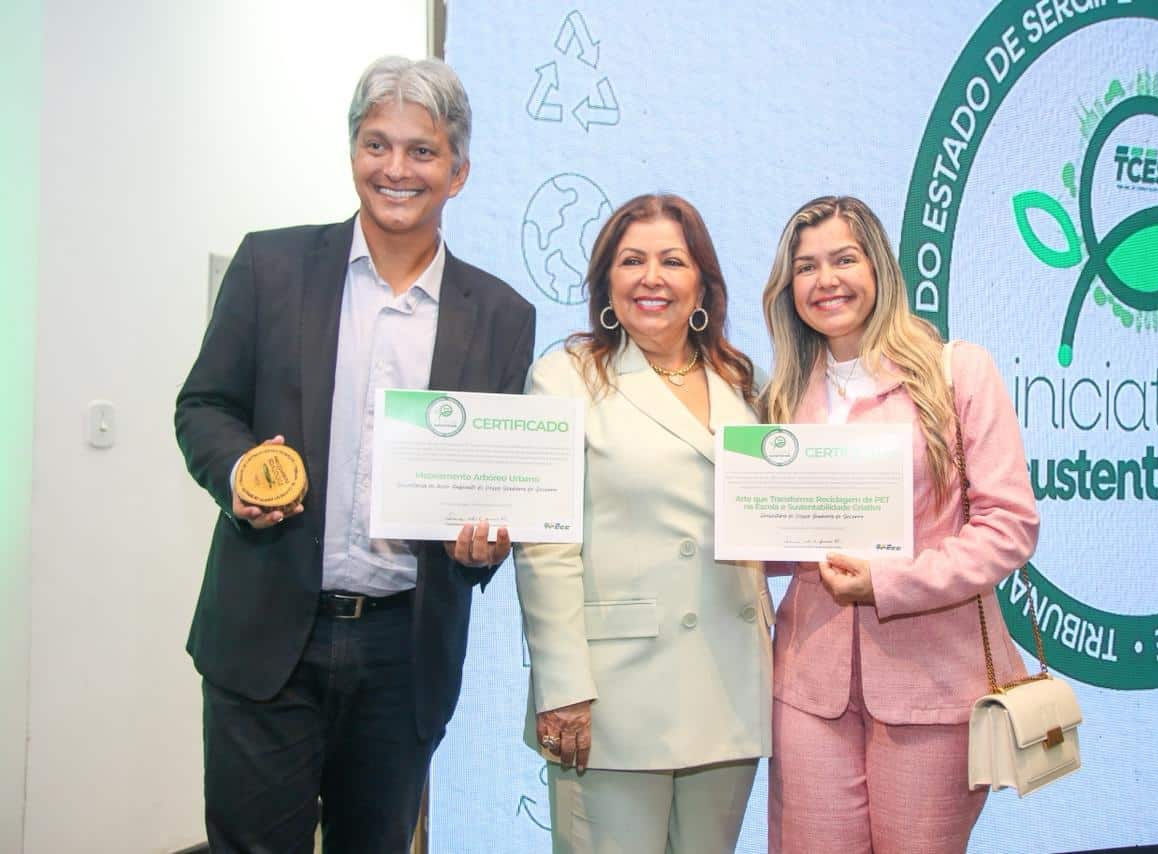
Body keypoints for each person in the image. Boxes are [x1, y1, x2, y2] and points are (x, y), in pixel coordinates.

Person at [174, 56, 534, 852]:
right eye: (378, 145)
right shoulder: (270, 267)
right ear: (352, 154)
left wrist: (484, 545)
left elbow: (492, 480)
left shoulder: (501, 315)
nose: (396, 169)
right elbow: (204, 405)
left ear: (458, 172)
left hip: (404, 652)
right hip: (267, 629)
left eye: (422, 151)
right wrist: (237, 472)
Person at [759, 196, 1039, 854]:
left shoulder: (957, 371)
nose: (826, 280)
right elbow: (775, 545)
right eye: (806, 267)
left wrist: (888, 582)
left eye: (844, 259)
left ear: (879, 268)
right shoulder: (780, 397)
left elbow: (1008, 526)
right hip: (807, 688)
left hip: (932, 688)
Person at [515, 194, 772, 853]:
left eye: (672, 261)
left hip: (729, 689)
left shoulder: (743, 382)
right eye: (632, 260)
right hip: (611, 697)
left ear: (702, 286)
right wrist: (562, 687)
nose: (651, 277)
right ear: (606, 282)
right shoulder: (566, 377)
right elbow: (545, 546)